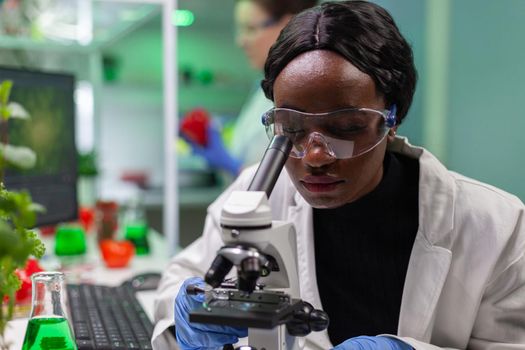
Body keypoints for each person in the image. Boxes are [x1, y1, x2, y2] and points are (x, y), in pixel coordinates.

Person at [154, 1, 525, 349]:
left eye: (346, 126)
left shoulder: (497, 226)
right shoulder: (259, 193)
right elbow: (183, 280)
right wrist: (182, 318)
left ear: (390, 120)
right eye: (292, 128)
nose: (315, 156)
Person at [183, 0, 318, 177]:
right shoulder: (265, 88)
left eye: (250, 29)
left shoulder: (303, 90)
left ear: (288, 25)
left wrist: (232, 166)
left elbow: (287, 183)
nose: (240, 41)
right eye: (240, 30)